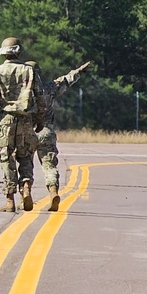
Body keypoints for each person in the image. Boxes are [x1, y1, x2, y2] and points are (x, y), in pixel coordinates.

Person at [0, 37, 46, 213]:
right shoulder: (29, 71)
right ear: (19, 51)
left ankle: (9, 200)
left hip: (5, 120)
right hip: (26, 119)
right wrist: (40, 118)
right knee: (25, 156)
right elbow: (40, 97)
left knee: (6, 158)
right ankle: (25, 187)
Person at [27, 60, 91, 211]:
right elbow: (66, 80)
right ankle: (53, 192)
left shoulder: (21, 91)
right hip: (46, 131)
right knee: (49, 165)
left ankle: (26, 193)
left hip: (27, 131)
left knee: (25, 165)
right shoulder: (49, 87)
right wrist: (79, 71)